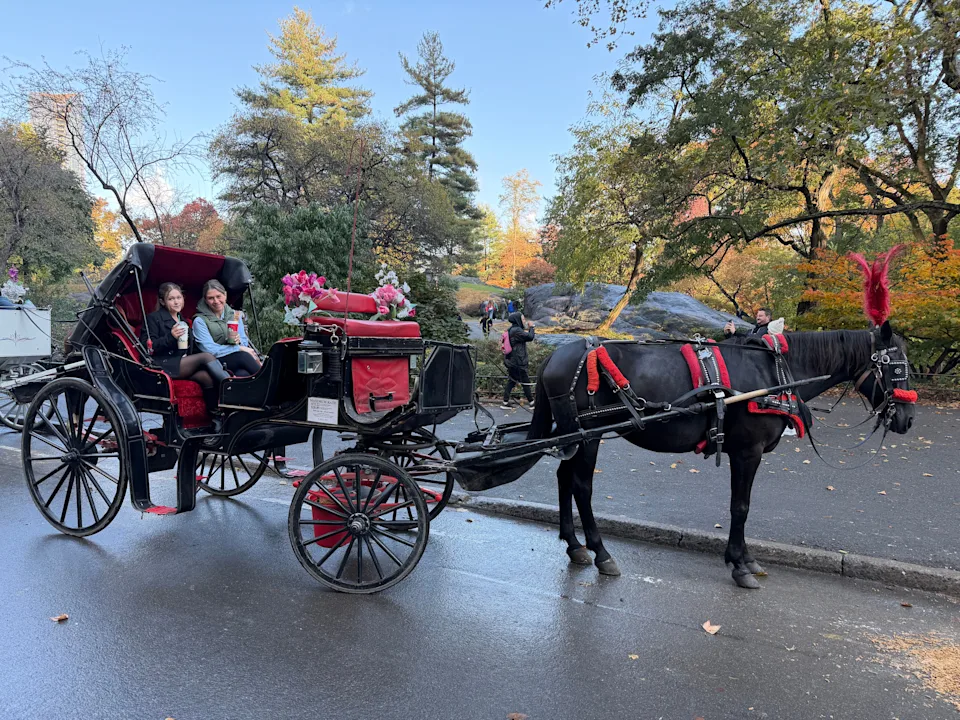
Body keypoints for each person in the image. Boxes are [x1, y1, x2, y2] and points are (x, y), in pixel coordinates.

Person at [141, 282, 229, 412]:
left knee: (206, 377)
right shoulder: (153, 318)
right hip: (162, 364)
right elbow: (149, 347)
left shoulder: (183, 319)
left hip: (182, 362)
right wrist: (171, 337)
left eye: (179, 298)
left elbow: (191, 348)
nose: (176, 302)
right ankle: (232, 387)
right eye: (171, 299)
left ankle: (215, 417)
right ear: (163, 302)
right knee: (206, 357)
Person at [193, 279, 262, 377]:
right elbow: (209, 349)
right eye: (211, 298)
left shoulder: (234, 315)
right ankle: (271, 380)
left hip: (234, 358)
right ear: (205, 300)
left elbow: (244, 340)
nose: (216, 301)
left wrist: (238, 342)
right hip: (213, 360)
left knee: (242, 373)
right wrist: (237, 348)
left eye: (218, 296)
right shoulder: (199, 321)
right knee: (243, 356)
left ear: (225, 295)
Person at [501, 312, 536, 409]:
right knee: (525, 381)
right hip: (518, 361)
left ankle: (505, 402)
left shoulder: (512, 329)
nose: (524, 321)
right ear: (518, 320)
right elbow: (530, 337)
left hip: (512, 360)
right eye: (523, 319)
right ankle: (532, 402)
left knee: (512, 381)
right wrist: (532, 327)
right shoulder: (517, 331)